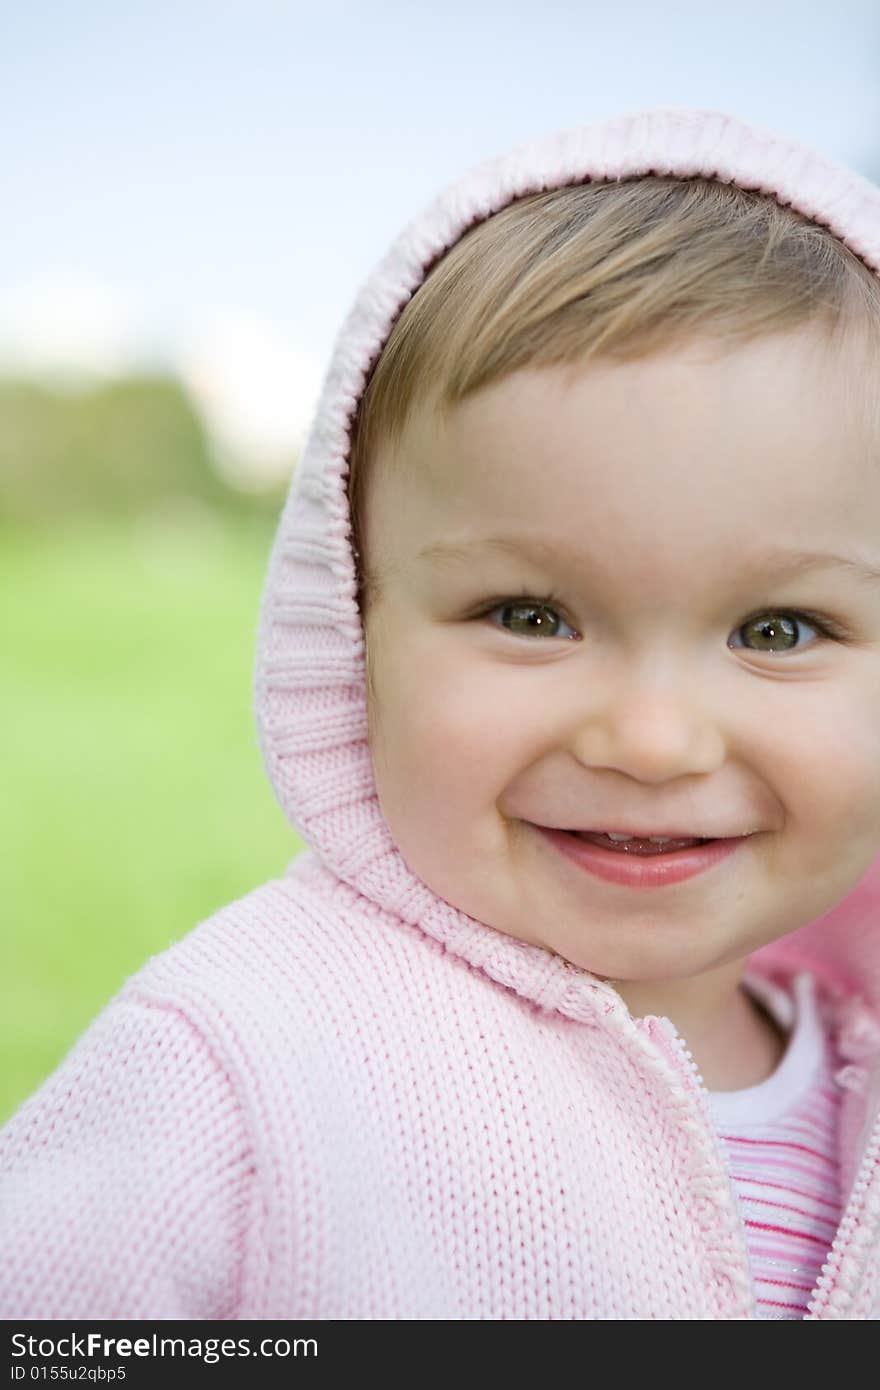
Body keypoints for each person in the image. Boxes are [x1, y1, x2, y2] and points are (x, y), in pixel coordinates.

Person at [3, 107, 880, 1321]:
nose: (650, 739)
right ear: (352, 622)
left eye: (776, 631)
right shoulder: (239, 1060)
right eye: (529, 615)